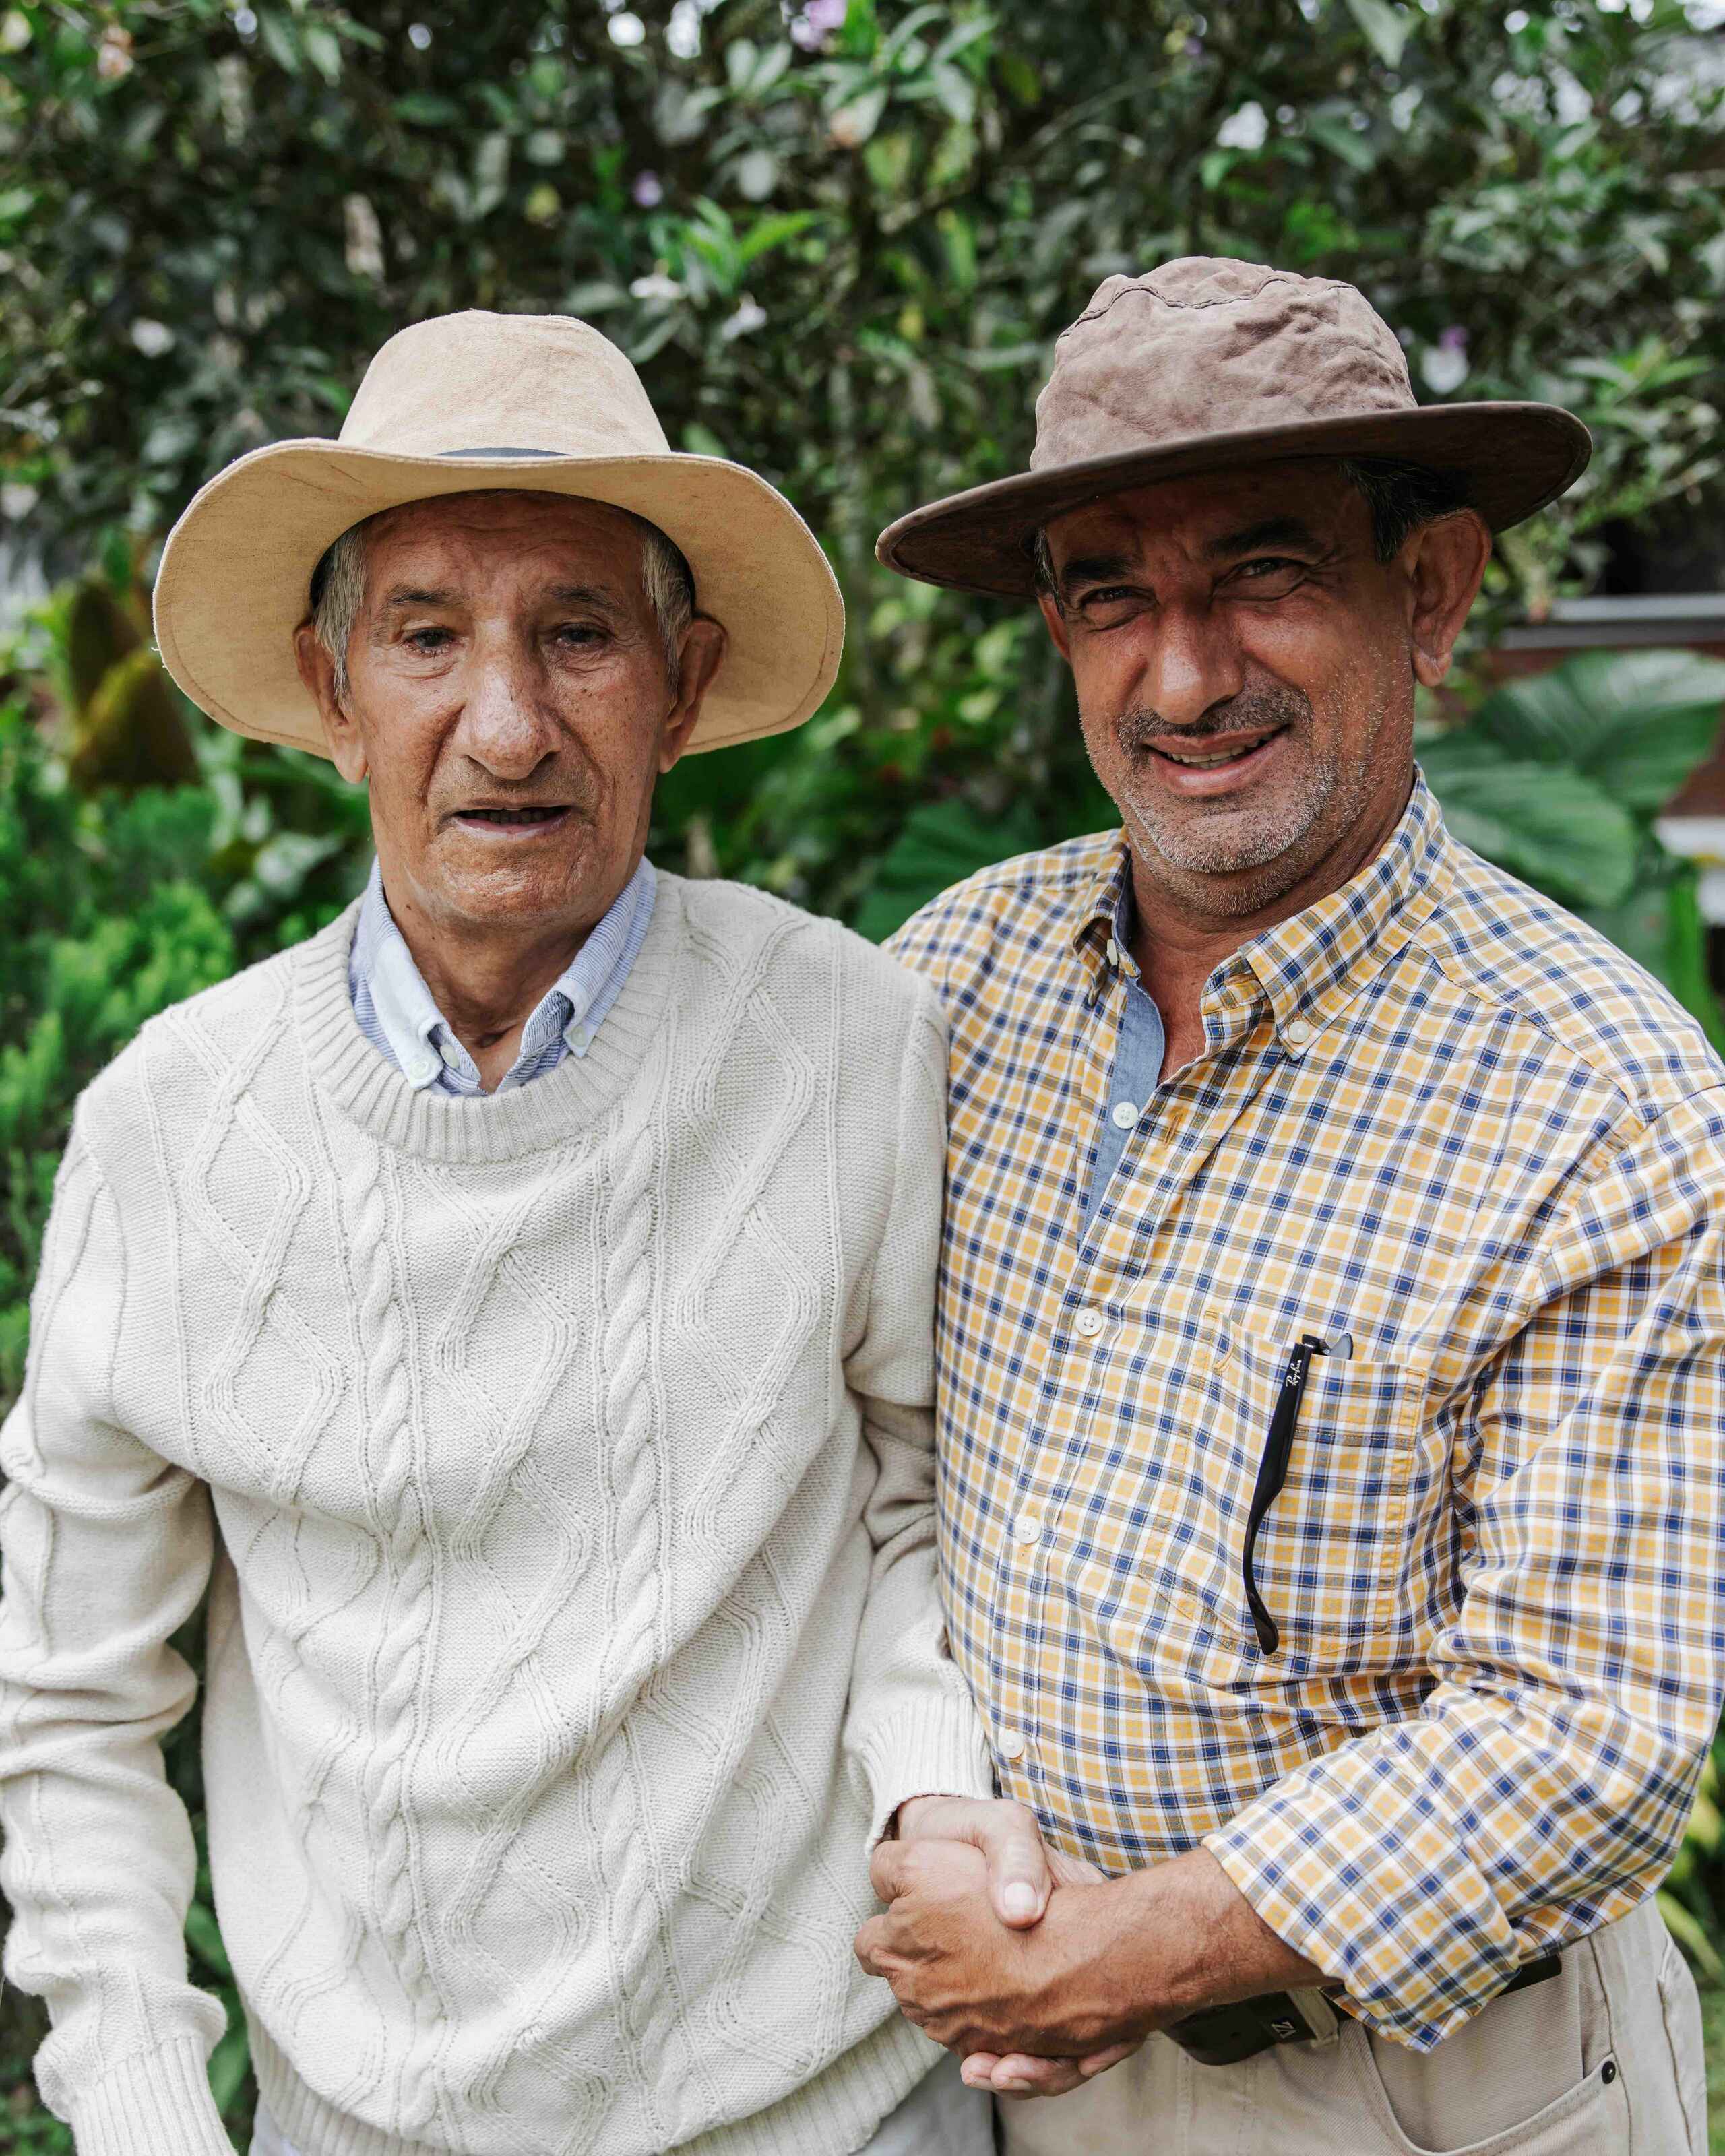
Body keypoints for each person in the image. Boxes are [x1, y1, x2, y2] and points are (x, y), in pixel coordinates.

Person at [0, 309, 1045, 2156]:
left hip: (831, 2111)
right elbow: (67, 1698)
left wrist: (931, 1793)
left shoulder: (849, 1044)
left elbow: (918, 1499)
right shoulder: (170, 1129)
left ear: (680, 679)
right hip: (360, 2126)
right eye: (426, 638)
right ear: (332, 695)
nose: (505, 723)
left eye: (577, 634)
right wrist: (146, 2101)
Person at [856, 256, 1725, 2153]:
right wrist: (931, 1814)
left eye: (1263, 575)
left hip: (1426, 2097)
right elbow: (880, 1470)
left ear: (1428, 594)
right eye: (1112, 599)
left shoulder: (1605, 1102)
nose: (1181, 678)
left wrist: (1128, 1951)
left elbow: (1587, 1730)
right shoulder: (955, 983)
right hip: (1027, 2077)